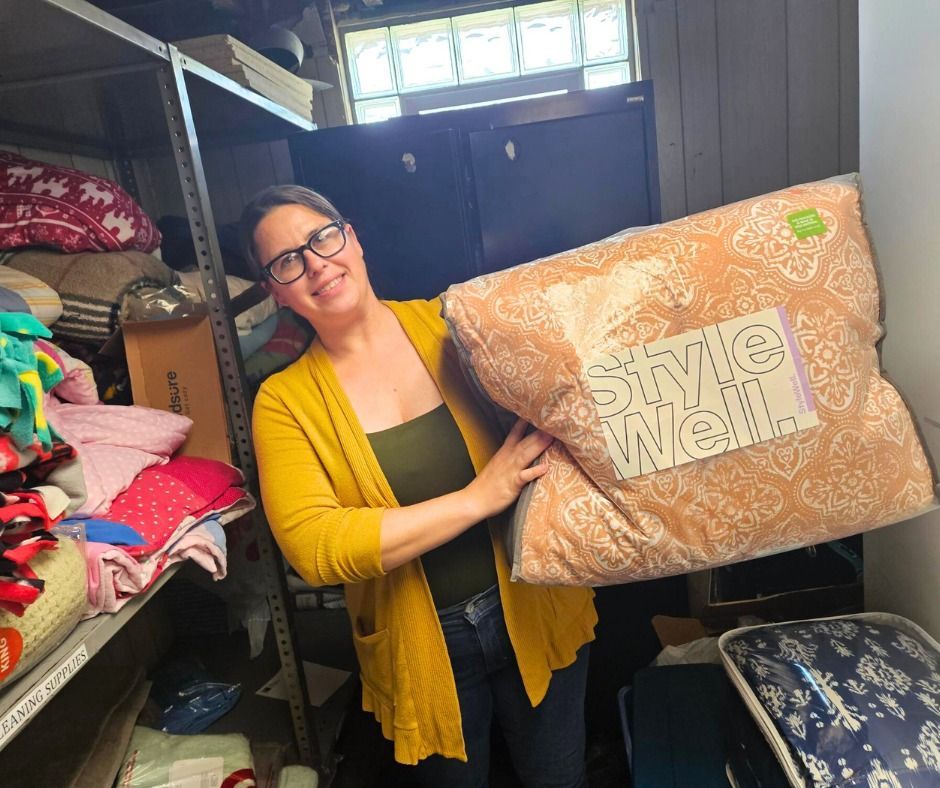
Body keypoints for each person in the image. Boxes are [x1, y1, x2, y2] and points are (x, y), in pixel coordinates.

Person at [241, 185, 597, 786]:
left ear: (351, 235)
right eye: (287, 261)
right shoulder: (284, 403)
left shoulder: (453, 324)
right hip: (427, 646)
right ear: (276, 289)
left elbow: (569, 386)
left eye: (322, 238)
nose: (316, 265)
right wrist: (476, 499)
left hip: (535, 600)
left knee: (560, 778)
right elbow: (315, 544)